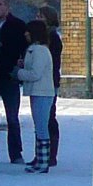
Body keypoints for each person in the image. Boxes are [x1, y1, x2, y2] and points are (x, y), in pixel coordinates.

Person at [0, 0, 28, 163]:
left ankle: (16, 153)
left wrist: (21, 63)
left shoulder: (18, 26)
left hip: (10, 77)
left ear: (7, 6)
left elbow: (26, 47)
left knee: (12, 117)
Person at [16, 18, 57, 172]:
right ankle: (39, 159)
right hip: (39, 92)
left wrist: (19, 73)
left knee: (41, 127)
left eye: (28, 31)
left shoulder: (38, 50)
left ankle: (43, 162)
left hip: (41, 92)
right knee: (39, 126)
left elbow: (35, 74)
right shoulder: (37, 49)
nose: (25, 34)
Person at [40, 6, 64, 168]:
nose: (38, 18)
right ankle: (46, 153)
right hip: (48, 81)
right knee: (46, 118)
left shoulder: (52, 38)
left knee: (49, 117)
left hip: (50, 81)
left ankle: (51, 153)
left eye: (40, 16)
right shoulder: (46, 37)